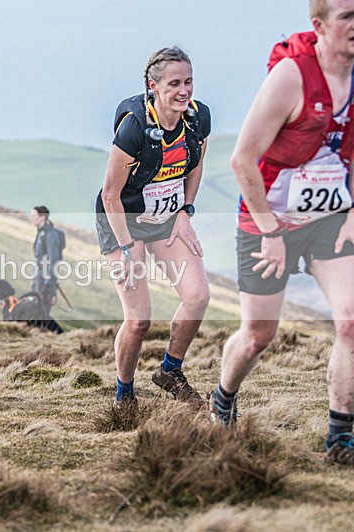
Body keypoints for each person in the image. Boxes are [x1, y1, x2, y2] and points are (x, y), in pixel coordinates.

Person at [210, 0, 354, 465]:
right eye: (347, 16)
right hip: (267, 216)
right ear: (320, 26)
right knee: (258, 335)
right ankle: (224, 398)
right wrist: (270, 231)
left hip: (330, 218)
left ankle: (340, 438)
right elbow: (242, 159)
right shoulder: (291, 76)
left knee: (350, 322)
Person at [95, 46, 211, 406]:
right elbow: (110, 194)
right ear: (153, 86)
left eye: (188, 82)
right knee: (139, 320)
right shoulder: (134, 129)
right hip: (122, 221)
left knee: (198, 297)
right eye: (174, 83)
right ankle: (124, 393)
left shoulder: (198, 117)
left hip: (167, 219)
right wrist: (128, 250)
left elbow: (195, 166)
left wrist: (186, 213)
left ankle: (169, 371)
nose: (184, 91)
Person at [29, 206, 65, 314]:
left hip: (45, 282)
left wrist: (48, 283)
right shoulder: (41, 232)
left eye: (33, 215)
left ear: (42, 217)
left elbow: (53, 259)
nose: (30, 218)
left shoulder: (51, 235)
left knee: (41, 313)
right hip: (38, 279)